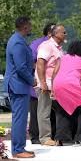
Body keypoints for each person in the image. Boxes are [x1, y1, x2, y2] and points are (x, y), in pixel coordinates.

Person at [4, 16, 35, 158]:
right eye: (30, 25)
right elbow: (21, 67)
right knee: (19, 118)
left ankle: (20, 147)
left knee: (21, 118)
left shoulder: (18, 40)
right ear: (25, 27)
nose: (31, 27)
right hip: (18, 85)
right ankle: (17, 150)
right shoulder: (17, 42)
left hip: (19, 84)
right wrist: (32, 80)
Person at [51, 40, 81, 146]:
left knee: (62, 111)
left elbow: (54, 73)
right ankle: (80, 139)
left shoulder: (62, 58)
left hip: (57, 84)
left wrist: (53, 89)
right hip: (72, 84)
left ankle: (60, 139)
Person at [36, 24, 65, 145]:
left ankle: (58, 136)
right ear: (56, 34)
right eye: (64, 32)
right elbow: (40, 63)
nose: (65, 34)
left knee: (57, 112)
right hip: (46, 84)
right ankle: (45, 138)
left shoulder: (58, 48)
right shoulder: (46, 46)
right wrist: (43, 83)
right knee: (44, 112)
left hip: (56, 85)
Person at [29, 22, 56, 144]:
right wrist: (42, 80)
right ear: (50, 33)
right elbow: (32, 61)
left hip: (50, 84)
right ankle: (35, 137)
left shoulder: (55, 45)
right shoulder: (38, 44)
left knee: (46, 111)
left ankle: (49, 136)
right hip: (39, 84)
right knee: (37, 111)